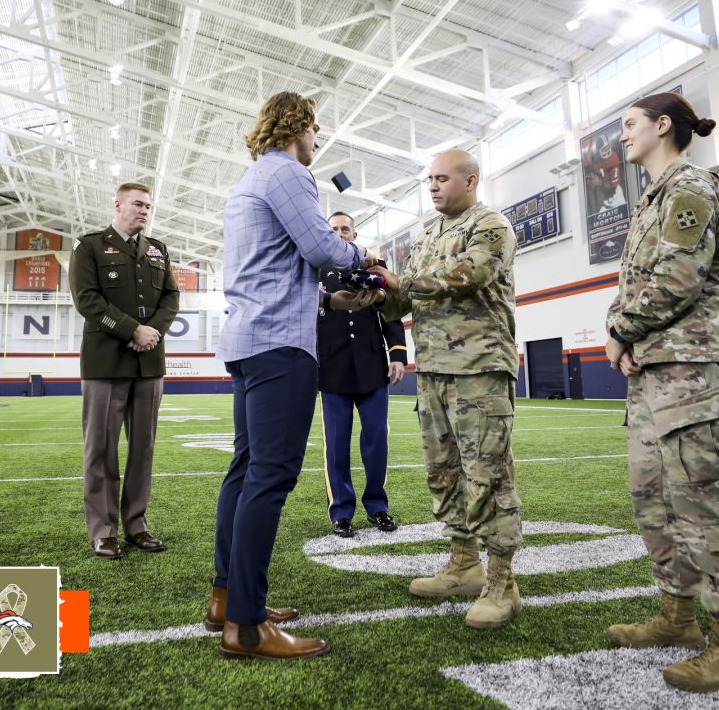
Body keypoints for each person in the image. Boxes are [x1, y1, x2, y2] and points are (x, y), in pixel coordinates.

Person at [603, 92, 719, 693]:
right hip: (654, 372)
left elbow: (677, 278)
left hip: (695, 369)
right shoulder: (653, 197)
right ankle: (678, 618)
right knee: (656, 502)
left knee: (708, 505)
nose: (621, 136)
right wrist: (622, 330)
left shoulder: (691, 187)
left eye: (629, 125)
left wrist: (620, 330)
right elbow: (635, 282)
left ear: (662, 126)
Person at [209, 91, 379, 661]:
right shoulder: (286, 173)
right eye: (314, 128)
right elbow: (320, 246)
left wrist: (329, 301)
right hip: (279, 344)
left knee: (245, 469)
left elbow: (279, 268)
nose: (318, 138)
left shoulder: (252, 178)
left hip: (251, 337)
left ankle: (227, 598)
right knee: (271, 477)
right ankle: (248, 626)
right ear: (297, 127)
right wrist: (365, 261)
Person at [369, 149, 524, 631]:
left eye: (442, 178)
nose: (433, 187)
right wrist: (378, 291)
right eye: (429, 180)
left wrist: (405, 280)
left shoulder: (490, 225)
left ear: (470, 180)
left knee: (488, 474)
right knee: (444, 471)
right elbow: (401, 305)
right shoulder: (426, 235)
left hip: (479, 367)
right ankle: (463, 562)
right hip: (433, 370)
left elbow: (471, 275)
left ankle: (503, 581)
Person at [68, 182, 181, 560]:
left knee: (143, 449)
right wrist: (132, 329)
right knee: (100, 449)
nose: (144, 211)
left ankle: (137, 525)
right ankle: (103, 531)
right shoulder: (89, 247)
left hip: (149, 363)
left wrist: (152, 333)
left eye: (148, 205)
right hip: (105, 363)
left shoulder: (158, 251)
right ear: (117, 204)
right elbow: (87, 299)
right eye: (137, 204)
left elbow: (170, 297)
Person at [318, 212, 408, 539]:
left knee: (376, 441)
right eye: (334, 230)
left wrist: (397, 354)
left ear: (355, 233)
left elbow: (392, 312)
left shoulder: (374, 266)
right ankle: (341, 510)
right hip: (332, 370)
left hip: (372, 367)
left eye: (345, 229)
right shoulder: (315, 269)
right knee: (337, 444)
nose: (340, 234)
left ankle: (377, 506)